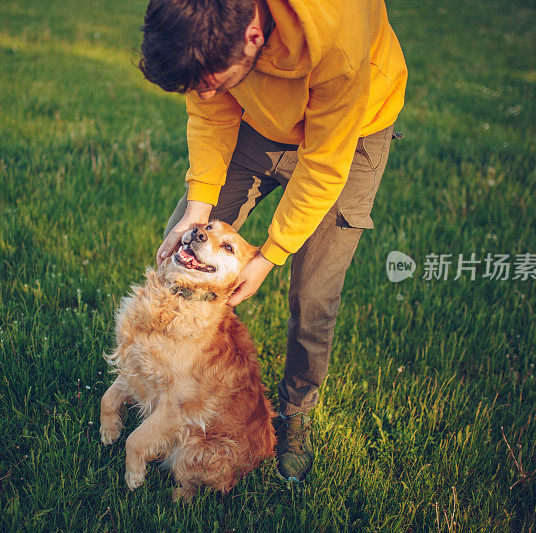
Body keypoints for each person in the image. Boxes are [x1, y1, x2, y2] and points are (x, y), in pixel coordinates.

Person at [139, 0, 407, 482]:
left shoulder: (335, 38)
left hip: (351, 130)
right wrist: (200, 207)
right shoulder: (209, 26)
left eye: (209, 79)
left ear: (254, 37)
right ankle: (166, 386)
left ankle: (295, 417)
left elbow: (324, 167)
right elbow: (210, 109)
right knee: (179, 247)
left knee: (314, 295)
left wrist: (269, 256)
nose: (201, 90)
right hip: (258, 120)